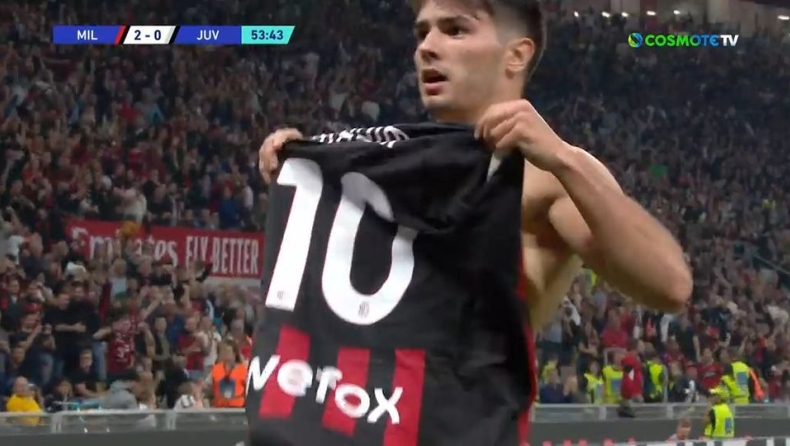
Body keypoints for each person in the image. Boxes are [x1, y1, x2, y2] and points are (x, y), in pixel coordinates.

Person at [254, 0, 691, 444]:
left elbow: (670, 285)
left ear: (516, 55)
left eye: (455, 30)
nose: (427, 47)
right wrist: (306, 165)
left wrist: (562, 157)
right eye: (422, 32)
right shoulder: (390, 166)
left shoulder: (545, 174)